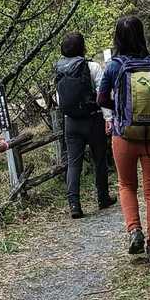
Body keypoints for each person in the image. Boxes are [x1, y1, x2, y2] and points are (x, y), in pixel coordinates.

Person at [98, 15, 150, 263]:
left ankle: (134, 230)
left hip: (124, 135)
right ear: (142, 35)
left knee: (126, 185)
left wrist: (121, 110)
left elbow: (101, 99)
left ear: (117, 38)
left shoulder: (113, 66)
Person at [53, 31, 114, 219]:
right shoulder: (92, 66)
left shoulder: (59, 69)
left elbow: (59, 99)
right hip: (93, 119)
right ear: (82, 48)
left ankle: (74, 205)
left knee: (73, 164)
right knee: (100, 159)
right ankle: (103, 198)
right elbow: (102, 94)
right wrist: (108, 118)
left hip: (71, 122)